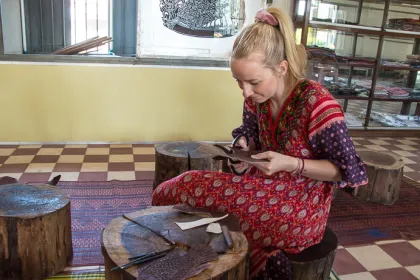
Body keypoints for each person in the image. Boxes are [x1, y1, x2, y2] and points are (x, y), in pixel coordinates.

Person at [152, 6, 368, 279]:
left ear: (281, 68)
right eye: (238, 81)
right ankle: (253, 258)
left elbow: (349, 172)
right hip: (260, 187)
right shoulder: (256, 100)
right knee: (174, 189)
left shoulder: (318, 104)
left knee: (205, 207)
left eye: (253, 82)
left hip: (302, 209)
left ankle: (246, 260)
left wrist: (292, 164)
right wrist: (242, 145)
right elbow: (250, 136)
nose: (245, 91)